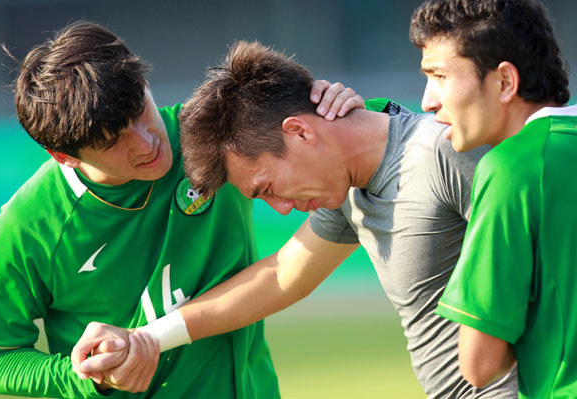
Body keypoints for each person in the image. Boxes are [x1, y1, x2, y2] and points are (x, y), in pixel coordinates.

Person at [73, 40, 519, 398]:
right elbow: (282, 275)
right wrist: (147, 339)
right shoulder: (349, 193)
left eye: (266, 187)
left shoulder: (444, 153)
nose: (281, 208)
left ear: (300, 131)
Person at [0, 21, 360, 398]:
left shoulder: (214, 135)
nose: (146, 144)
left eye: (140, 111)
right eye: (114, 141)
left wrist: (338, 110)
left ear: (144, 83)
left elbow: (375, 128)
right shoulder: (29, 225)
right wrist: (86, 377)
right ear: (64, 157)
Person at [409, 0, 576, 397]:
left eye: (439, 76)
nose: (427, 101)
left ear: (504, 82)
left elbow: (479, 364)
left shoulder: (511, 169)